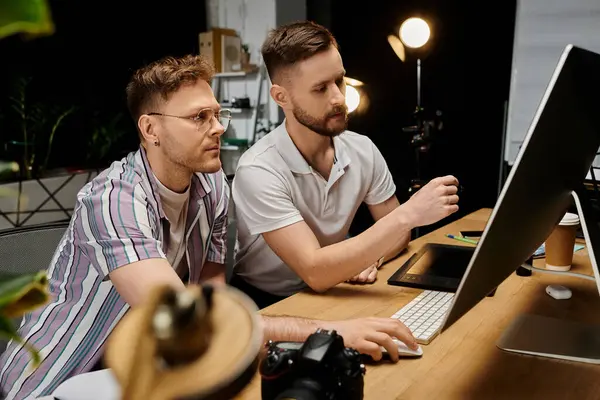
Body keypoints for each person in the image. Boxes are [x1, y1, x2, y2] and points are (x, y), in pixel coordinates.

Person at [0, 54, 418, 399]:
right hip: (56, 382)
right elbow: (192, 321)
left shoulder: (212, 183)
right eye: (199, 117)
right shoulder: (113, 200)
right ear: (151, 129)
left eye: (218, 114)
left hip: (144, 372)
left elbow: (212, 302)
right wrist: (328, 332)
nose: (218, 127)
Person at [231, 21, 460, 308]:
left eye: (339, 80)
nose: (339, 98)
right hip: (265, 303)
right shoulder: (258, 170)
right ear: (281, 97)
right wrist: (409, 214)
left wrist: (371, 257)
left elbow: (398, 234)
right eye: (320, 89)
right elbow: (314, 269)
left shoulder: (362, 148)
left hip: (331, 286)